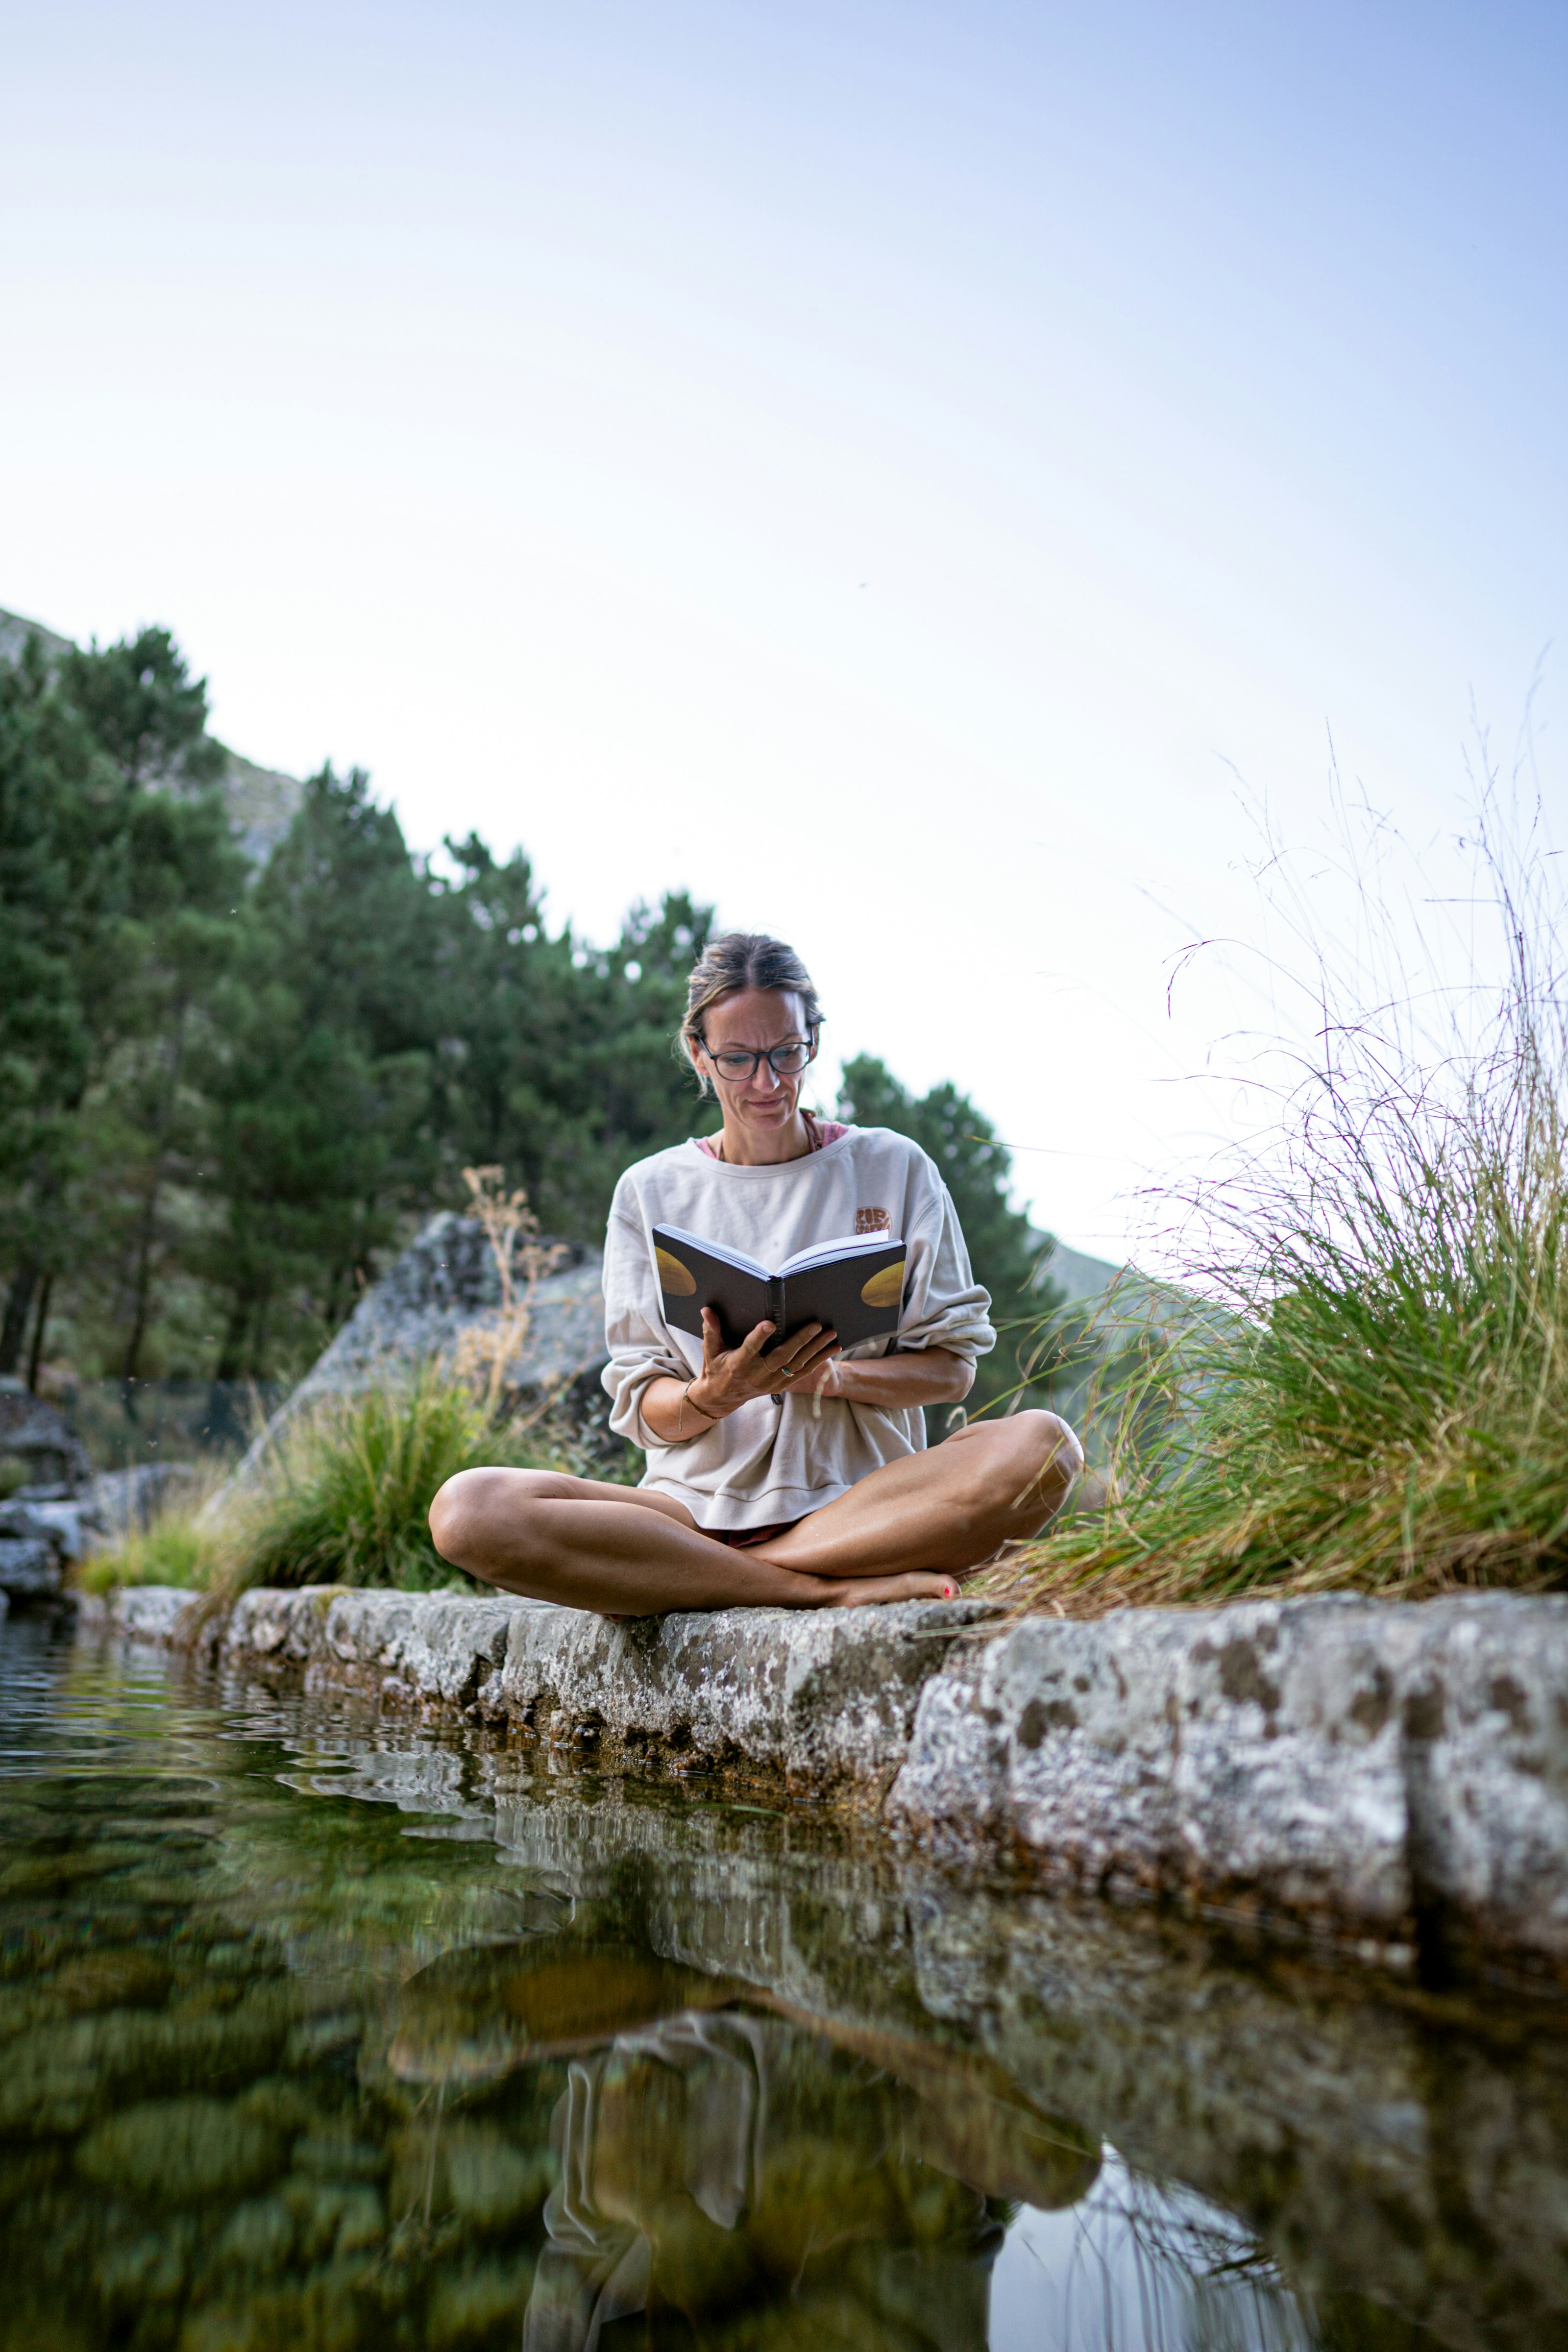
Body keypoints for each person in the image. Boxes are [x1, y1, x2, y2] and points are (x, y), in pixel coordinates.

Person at [430, 932, 1082, 1613]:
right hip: (686, 1514)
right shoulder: (650, 1192)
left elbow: (953, 1369)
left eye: (786, 1053)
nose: (768, 1083)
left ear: (815, 1040)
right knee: (468, 1510)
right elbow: (643, 1402)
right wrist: (714, 1394)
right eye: (738, 1060)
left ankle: (705, 1576)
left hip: (864, 1512)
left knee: (1045, 1448)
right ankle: (805, 1591)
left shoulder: (895, 1167)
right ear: (699, 1055)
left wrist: (831, 1377)